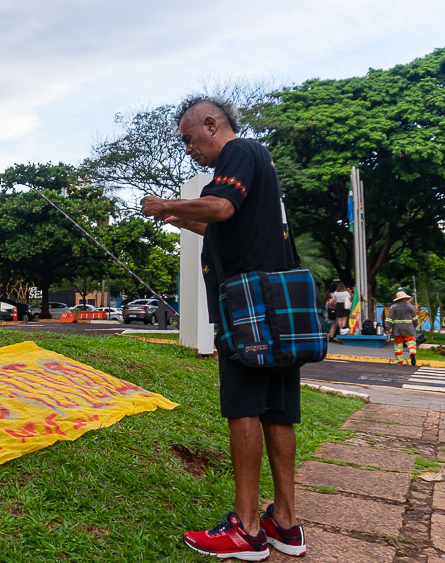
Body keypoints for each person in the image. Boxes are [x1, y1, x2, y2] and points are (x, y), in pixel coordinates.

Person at [141, 96, 305, 560]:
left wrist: (164, 204)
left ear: (211, 124)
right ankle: (286, 525)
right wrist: (182, 218)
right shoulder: (256, 165)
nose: (190, 151)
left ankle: (248, 529)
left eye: (190, 141)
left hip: (247, 307)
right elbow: (226, 225)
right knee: (278, 411)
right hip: (276, 305)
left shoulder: (239, 152)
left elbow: (222, 208)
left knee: (244, 409)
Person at [388, 291, 419, 365]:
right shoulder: (410, 306)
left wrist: (388, 328)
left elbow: (389, 319)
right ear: (405, 298)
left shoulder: (393, 307)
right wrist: (415, 325)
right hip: (408, 328)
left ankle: (400, 361)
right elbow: (415, 318)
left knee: (398, 345)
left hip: (397, 329)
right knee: (411, 342)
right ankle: (412, 352)